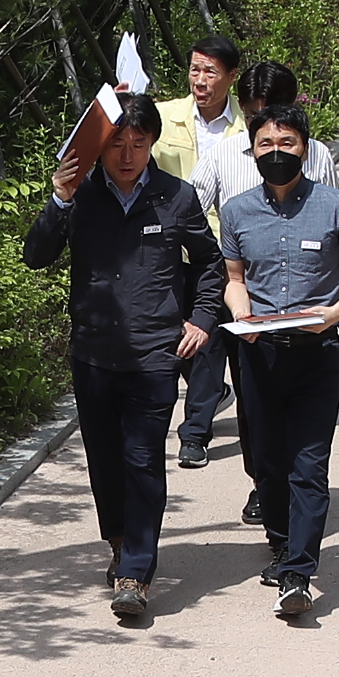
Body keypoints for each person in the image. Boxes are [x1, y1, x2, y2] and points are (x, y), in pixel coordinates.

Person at [24, 93, 222, 625]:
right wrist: (60, 200)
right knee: (106, 463)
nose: (128, 155)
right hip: (93, 353)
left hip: (156, 354)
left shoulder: (176, 198)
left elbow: (210, 265)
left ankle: (136, 571)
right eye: (117, 144)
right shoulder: (82, 197)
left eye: (138, 143)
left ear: (153, 143)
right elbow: (36, 256)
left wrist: (201, 320)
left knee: (142, 460)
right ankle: (119, 540)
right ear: (100, 147)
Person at [218, 97, 339, 622]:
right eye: (266, 144)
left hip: (317, 352)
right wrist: (241, 318)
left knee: (309, 465)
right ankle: (283, 544)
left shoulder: (338, 206)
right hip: (259, 355)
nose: (276, 152)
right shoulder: (237, 211)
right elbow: (234, 280)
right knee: (267, 462)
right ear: (252, 150)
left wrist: (334, 313)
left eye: (286, 143)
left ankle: (299, 573)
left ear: (305, 148)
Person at [151, 39, 248, 471]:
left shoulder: (246, 129)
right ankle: (209, 398)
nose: (200, 81)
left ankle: (194, 433)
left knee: (206, 337)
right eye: (195, 71)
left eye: (210, 72)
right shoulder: (165, 115)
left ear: (230, 77)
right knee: (171, 333)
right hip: (166, 245)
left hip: (219, 251)